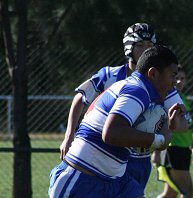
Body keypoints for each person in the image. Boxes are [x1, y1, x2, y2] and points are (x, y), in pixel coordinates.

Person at [49, 45, 183, 197]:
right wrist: (157, 139)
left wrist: (167, 125)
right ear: (153, 73)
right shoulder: (137, 91)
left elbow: (161, 141)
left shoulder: (143, 92)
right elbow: (112, 133)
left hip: (113, 180)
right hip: (82, 181)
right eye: (172, 75)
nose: (175, 82)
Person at [152, 65, 193, 198]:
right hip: (172, 150)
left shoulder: (182, 98)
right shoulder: (166, 99)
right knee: (187, 191)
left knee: (170, 193)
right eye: (176, 78)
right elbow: (159, 125)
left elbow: (186, 129)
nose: (179, 81)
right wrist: (156, 152)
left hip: (183, 149)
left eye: (182, 78)